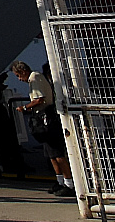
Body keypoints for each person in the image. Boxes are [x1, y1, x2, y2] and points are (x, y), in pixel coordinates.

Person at [12, 60, 73, 198]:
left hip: (47, 117)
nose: (19, 79)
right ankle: (60, 180)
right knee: (50, 153)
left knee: (57, 152)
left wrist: (25, 107)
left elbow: (40, 99)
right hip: (41, 117)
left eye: (18, 75)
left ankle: (69, 183)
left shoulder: (35, 77)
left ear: (23, 71)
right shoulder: (33, 79)